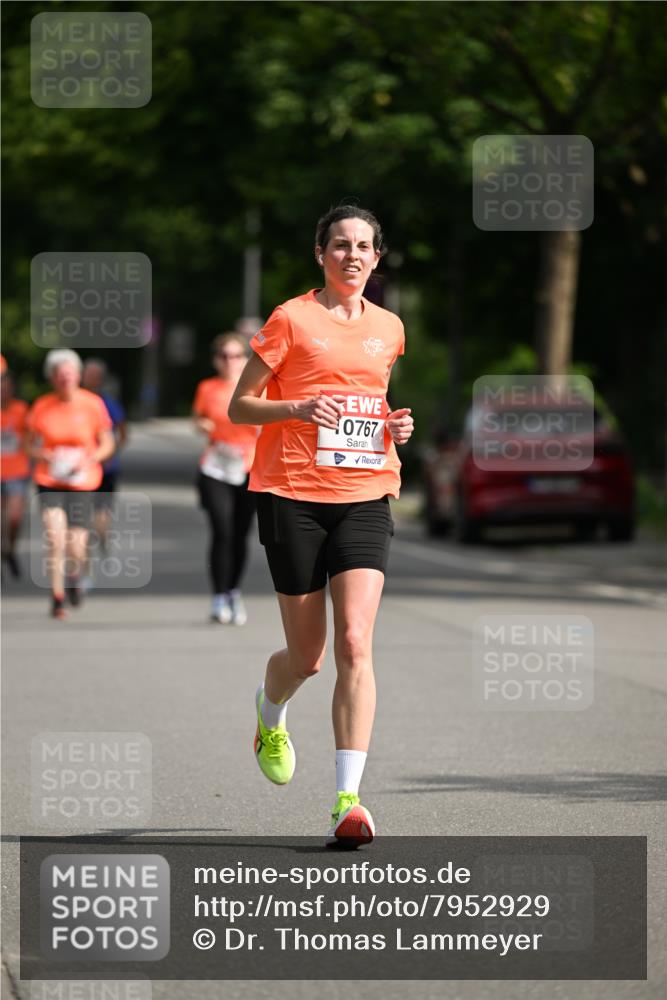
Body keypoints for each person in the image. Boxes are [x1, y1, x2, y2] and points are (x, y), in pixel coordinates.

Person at [229, 205, 414, 847]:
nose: (352, 256)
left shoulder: (389, 327)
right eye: (340, 245)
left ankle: (348, 801)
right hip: (292, 494)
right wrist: (300, 407)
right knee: (307, 657)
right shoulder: (290, 318)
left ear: (376, 257)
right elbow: (241, 404)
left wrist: (395, 426)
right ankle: (269, 710)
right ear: (321, 254)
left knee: (356, 643)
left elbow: (373, 403)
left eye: (364, 246)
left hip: (365, 492)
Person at [25, 350, 115, 619]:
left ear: (78, 375)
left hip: (83, 481)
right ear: (52, 378)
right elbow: (28, 443)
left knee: (76, 543)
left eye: (70, 374)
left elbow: (107, 442)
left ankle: (74, 575)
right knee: (55, 537)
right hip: (50, 479)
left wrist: (90, 459)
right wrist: (43, 454)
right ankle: (57, 597)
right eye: (60, 375)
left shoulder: (92, 404)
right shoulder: (42, 406)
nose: (65, 379)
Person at [193, 333, 259, 625]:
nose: (230, 361)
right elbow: (197, 418)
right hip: (216, 467)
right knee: (222, 530)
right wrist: (202, 424)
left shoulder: (256, 389)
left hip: (248, 467)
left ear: (244, 359)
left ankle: (233, 591)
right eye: (224, 356)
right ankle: (219, 595)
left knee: (240, 534)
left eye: (235, 355)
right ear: (215, 360)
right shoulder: (207, 387)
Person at [81, 359, 128, 561]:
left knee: (101, 514)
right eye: (89, 375)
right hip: (78, 472)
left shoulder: (108, 403)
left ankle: (100, 537)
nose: (92, 380)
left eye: (96, 376)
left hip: (105, 469)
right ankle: (83, 552)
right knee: (80, 516)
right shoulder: (75, 401)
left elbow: (122, 432)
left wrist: (111, 452)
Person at [1, 366, 31, 577]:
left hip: (17, 471)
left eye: (6, 388)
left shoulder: (21, 410)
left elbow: (32, 437)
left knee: (14, 517)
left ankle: (9, 550)